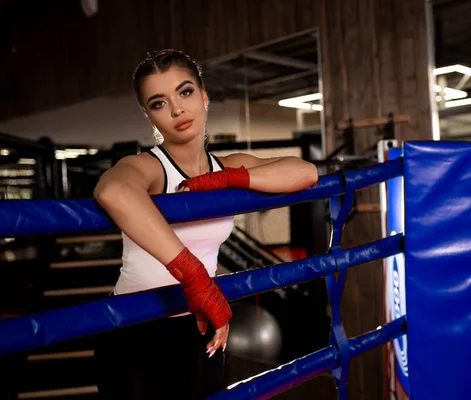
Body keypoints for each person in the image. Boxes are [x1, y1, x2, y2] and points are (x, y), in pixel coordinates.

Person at [93, 49, 318, 400]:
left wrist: (227, 180)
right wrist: (194, 276)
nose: (177, 109)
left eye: (184, 92)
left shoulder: (226, 165)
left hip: (199, 321)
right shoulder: (150, 167)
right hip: (136, 327)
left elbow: (306, 172)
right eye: (158, 102)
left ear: (204, 96)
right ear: (149, 115)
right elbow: (113, 191)